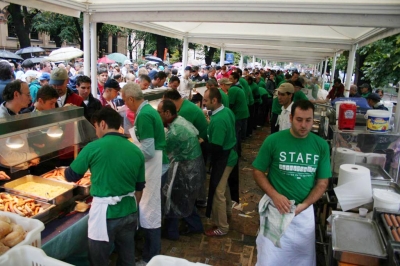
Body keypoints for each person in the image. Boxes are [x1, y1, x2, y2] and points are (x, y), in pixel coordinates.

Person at [252, 100, 331, 265]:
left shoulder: (321, 145)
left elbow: (322, 183)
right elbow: (257, 171)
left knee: (301, 259)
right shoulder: (273, 141)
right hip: (275, 210)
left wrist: (305, 204)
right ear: (291, 118)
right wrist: (275, 196)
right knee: (269, 258)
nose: (303, 125)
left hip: (303, 214)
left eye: (308, 120)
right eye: (299, 119)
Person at [64, 108, 144, 266]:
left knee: (98, 258)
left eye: (95, 127)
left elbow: (71, 175)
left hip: (104, 214)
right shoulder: (136, 150)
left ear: (102, 124)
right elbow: (139, 187)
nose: (96, 132)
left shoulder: (93, 147)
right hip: (129, 211)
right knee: (127, 255)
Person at [121, 83, 168, 264]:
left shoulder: (145, 115)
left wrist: (128, 154)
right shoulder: (146, 111)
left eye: (125, 101)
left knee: (150, 212)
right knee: (149, 211)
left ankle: (152, 256)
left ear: (131, 99)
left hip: (155, 165)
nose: (125, 105)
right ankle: (149, 251)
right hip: (154, 163)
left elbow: (147, 151)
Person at [157, 100, 204, 240]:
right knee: (184, 198)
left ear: (167, 113)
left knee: (177, 198)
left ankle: (172, 232)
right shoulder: (179, 120)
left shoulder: (175, 132)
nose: (158, 115)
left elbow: (161, 150)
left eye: (159, 112)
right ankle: (192, 227)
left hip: (187, 169)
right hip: (192, 166)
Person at [202, 87, 237, 236]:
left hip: (225, 158)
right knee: (224, 186)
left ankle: (222, 227)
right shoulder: (226, 111)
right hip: (232, 153)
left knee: (218, 191)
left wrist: (202, 142)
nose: (203, 103)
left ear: (214, 100)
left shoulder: (218, 121)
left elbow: (216, 147)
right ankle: (227, 211)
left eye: (205, 100)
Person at [0, 80, 39, 178]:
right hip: (8, 173)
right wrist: (31, 156)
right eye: (28, 94)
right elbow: (6, 157)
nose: (30, 98)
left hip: (22, 168)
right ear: (16, 94)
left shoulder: (16, 113)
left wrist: (30, 153)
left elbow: (21, 143)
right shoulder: (2, 119)